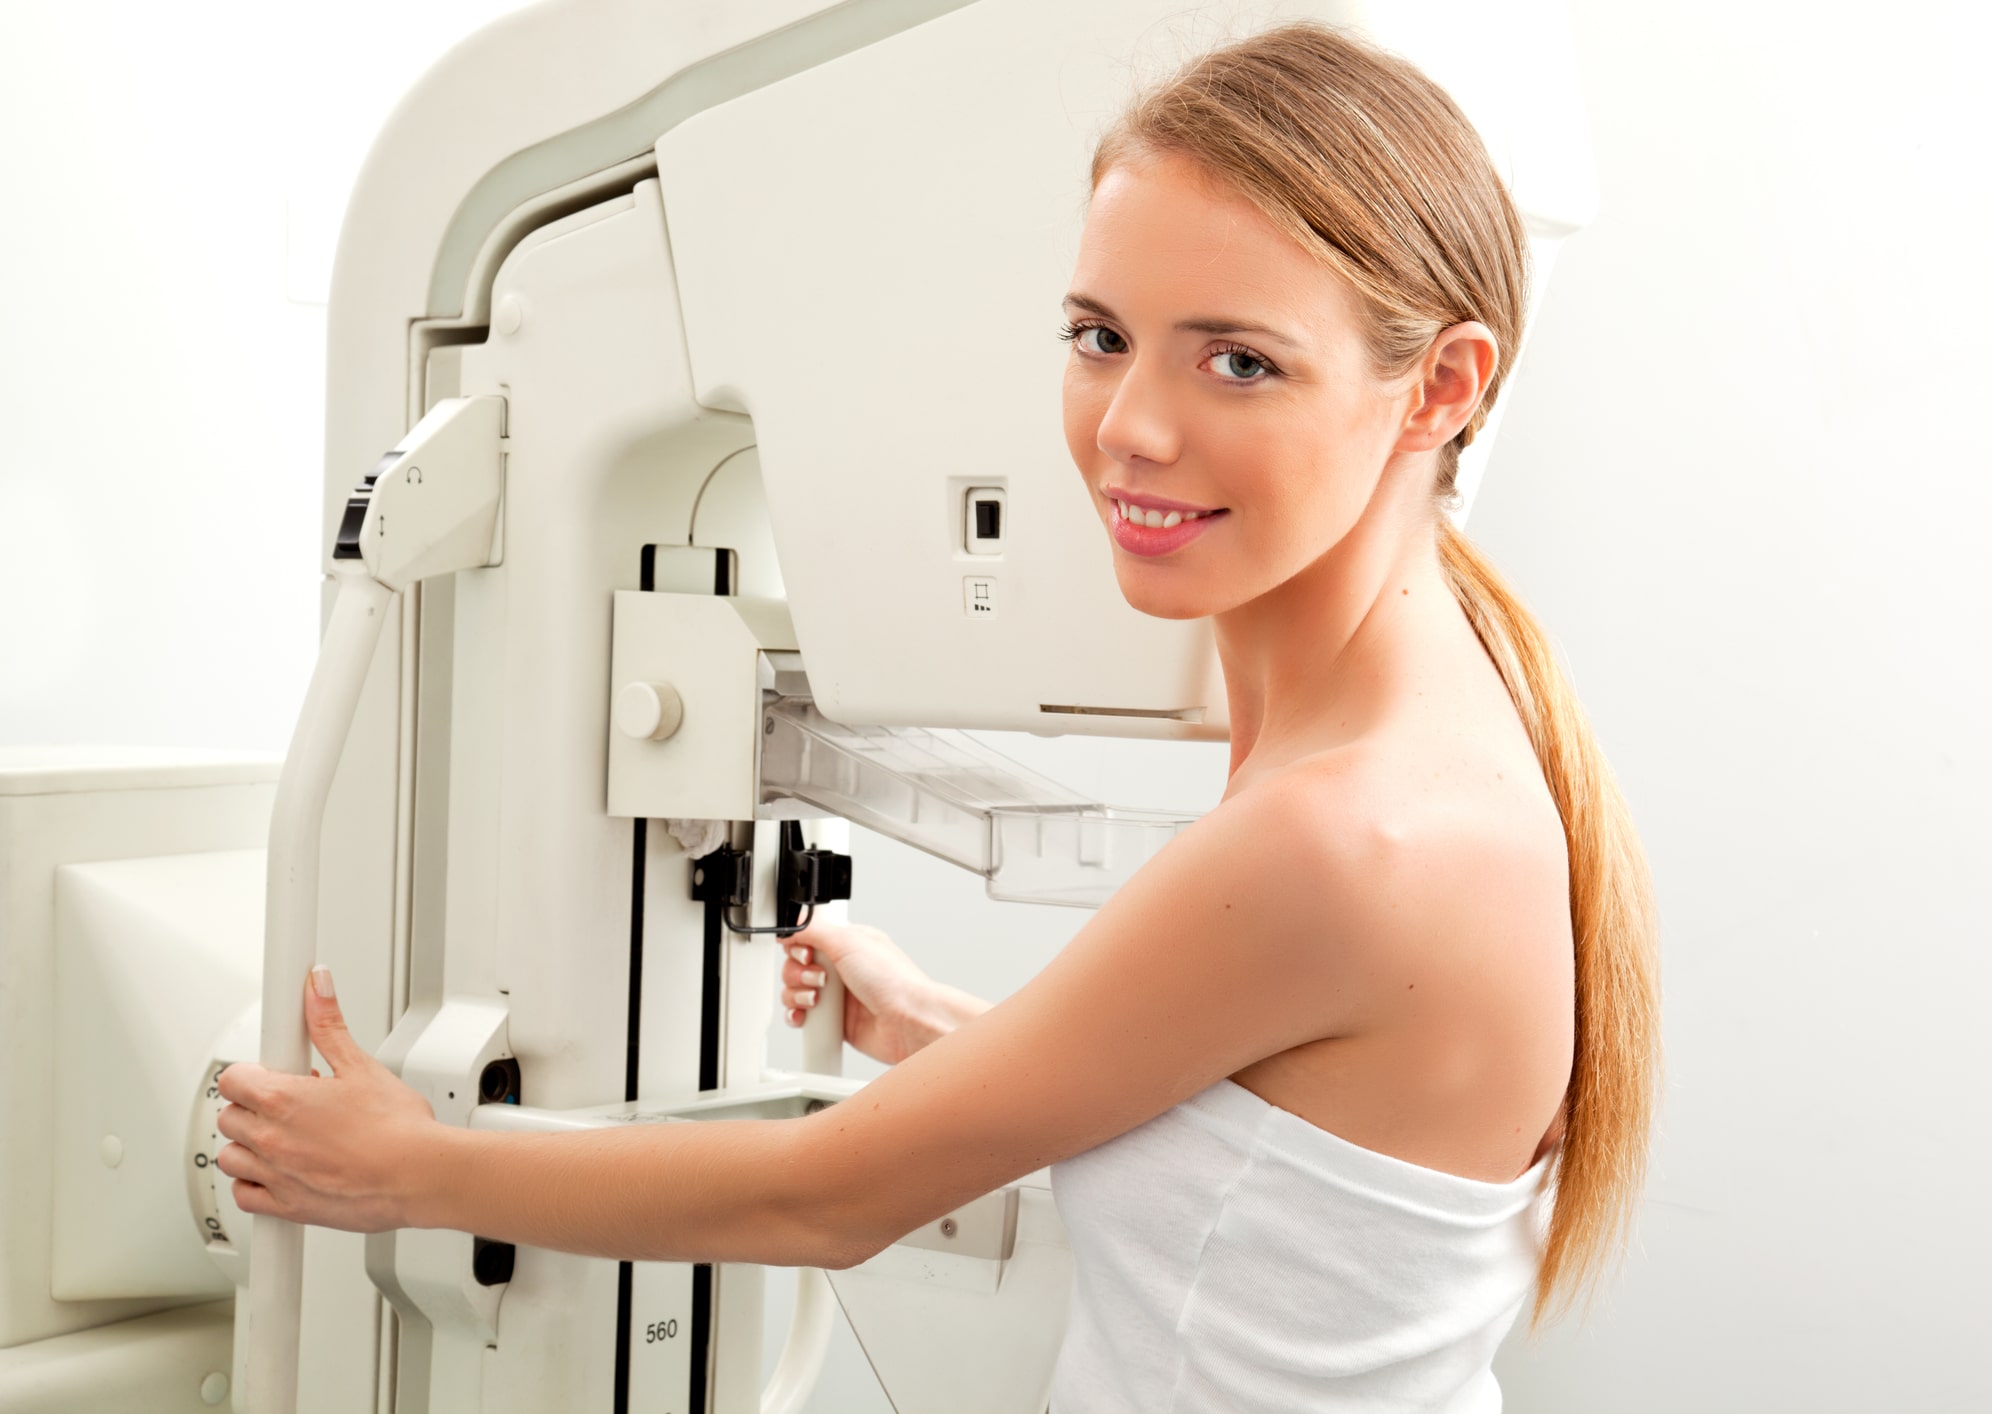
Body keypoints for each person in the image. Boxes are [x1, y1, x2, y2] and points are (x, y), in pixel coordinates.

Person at [215, 21, 1660, 1411]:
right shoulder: (1431, 714)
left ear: (1441, 387)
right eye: (1100, 336)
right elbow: (1293, 1170)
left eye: (1238, 361)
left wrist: (408, 1168)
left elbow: (827, 1193)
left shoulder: (1343, 837)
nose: (1130, 427)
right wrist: (945, 1033)